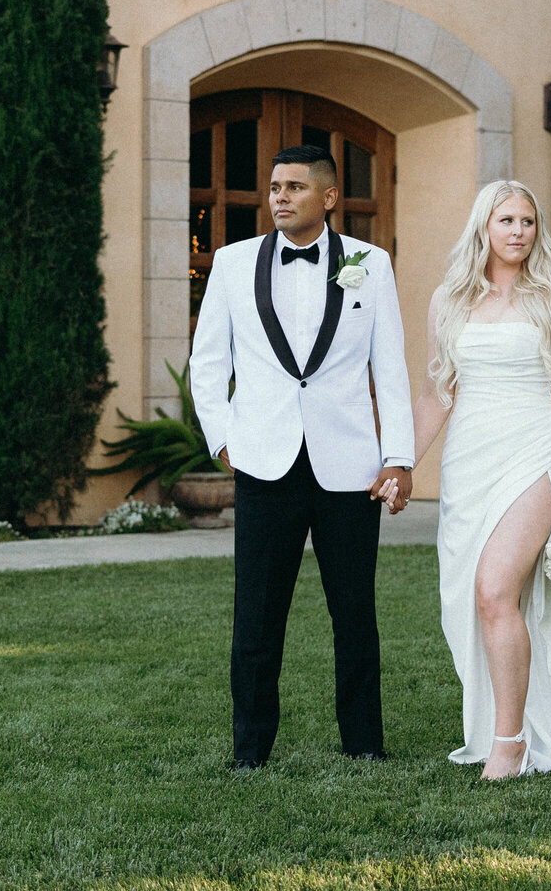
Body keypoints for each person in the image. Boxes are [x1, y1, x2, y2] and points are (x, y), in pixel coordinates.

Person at [189, 143, 414, 768]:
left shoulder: (372, 264)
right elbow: (208, 363)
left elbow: (390, 369)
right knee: (256, 619)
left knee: (355, 616)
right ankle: (250, 751)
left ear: (330, 197)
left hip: (350, 468)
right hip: (264, 465)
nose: (279, 197)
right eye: (273, 187)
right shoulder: (232, 264)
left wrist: (399, 457)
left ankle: (364, 745)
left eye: (293, 186)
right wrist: (224, 441)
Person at [409, 178, 551, 779]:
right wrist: (401, 465)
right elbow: (435, 393)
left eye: (528, 221)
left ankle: (510, 742)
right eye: (507, 221)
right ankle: (524, 723)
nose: (519, 232)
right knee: (472, 600)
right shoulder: (449, 298)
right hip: (470, 460)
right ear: (484, 226)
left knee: (495, 588)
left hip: (536, 452)